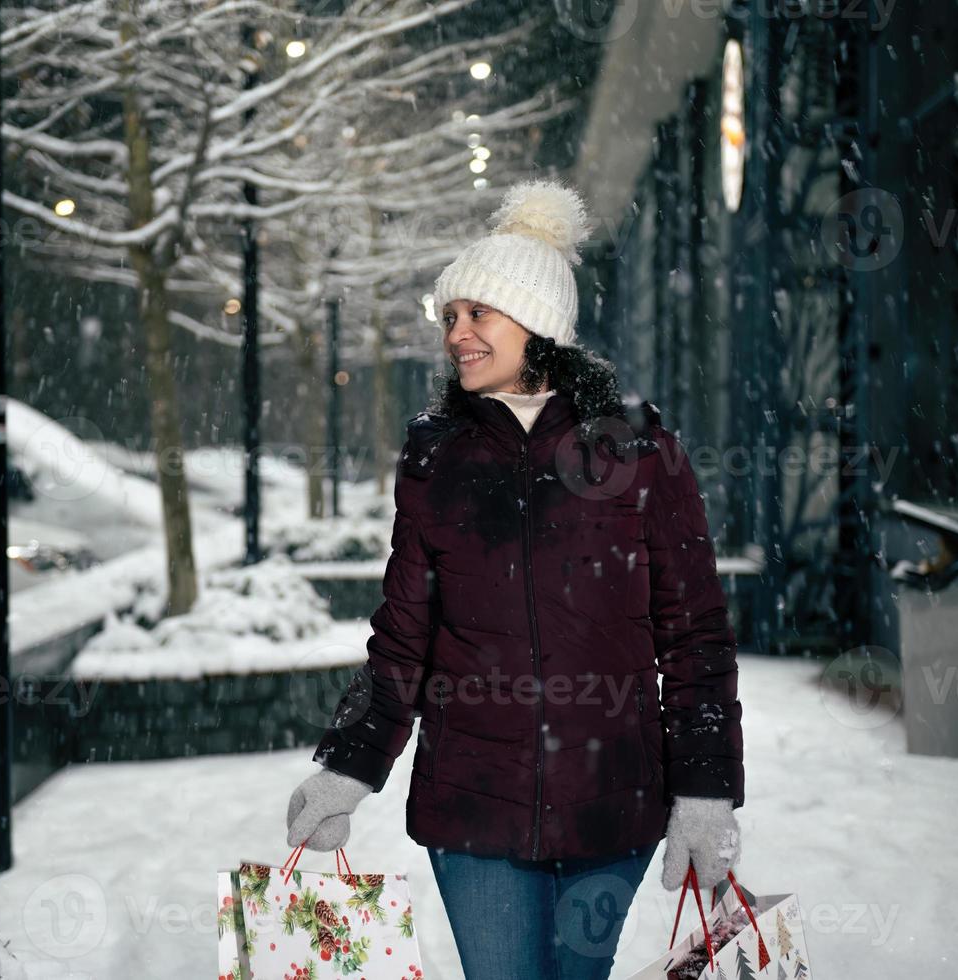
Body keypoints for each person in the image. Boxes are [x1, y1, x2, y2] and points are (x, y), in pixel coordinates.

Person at [286, 177, 745, 980]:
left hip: (612, 794)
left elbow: (694, 632)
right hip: (473, 803)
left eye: (477, 314)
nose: (457, 333)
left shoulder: (635, 451)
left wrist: (704, 788)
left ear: (537, 325)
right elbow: (404, 634)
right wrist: (349, 764)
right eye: (449, 317)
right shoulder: (435, 458)